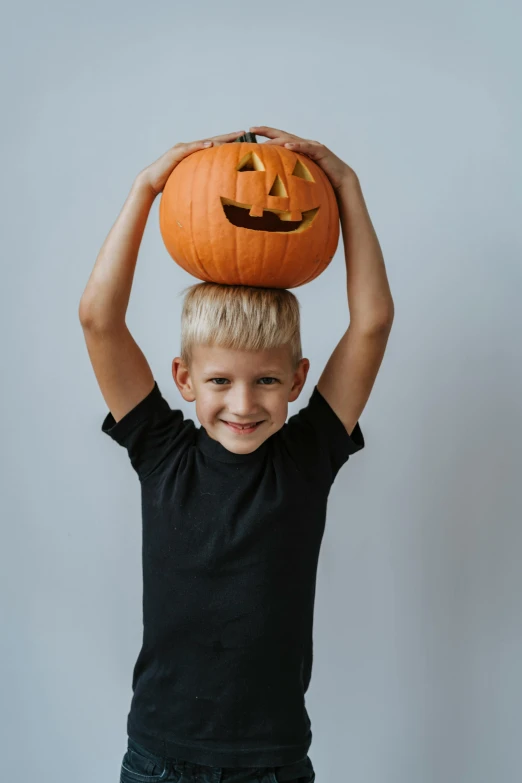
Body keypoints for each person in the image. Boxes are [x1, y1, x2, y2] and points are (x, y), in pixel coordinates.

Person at [79, 125, 394, 783]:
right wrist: (146, 187)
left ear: (299, 379)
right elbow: (98, 318)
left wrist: (348, 188)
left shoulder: (308, 456)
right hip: (160, 756)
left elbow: (372, 321)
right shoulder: (162, 450)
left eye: (268, 380)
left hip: (271, 761)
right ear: (185, 379)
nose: (243, 403)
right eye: (220, 381)